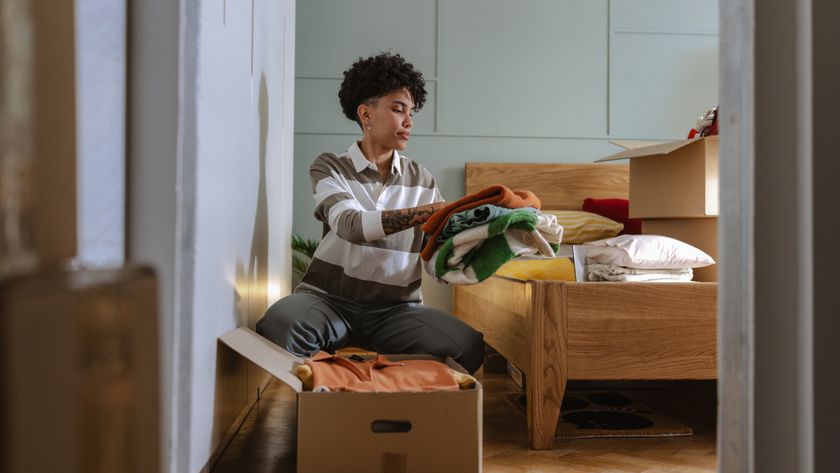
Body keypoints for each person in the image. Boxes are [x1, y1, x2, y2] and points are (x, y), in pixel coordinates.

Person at [256, 53, 485, 374]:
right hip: (328, 301)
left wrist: (482, 243)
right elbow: (349, 225)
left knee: (468, 345)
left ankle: (384, 388)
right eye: (397, 109)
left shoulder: (422, 179)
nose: (408, 121)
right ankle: (326, 393)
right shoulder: (329, 166)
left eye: (412, 112)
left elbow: (436, 254)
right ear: (365, 113)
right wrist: (431, 212)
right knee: (281, 325)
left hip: (397, 311)